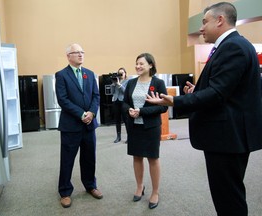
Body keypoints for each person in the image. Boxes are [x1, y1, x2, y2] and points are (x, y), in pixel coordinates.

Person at [146, 2, 262, 216]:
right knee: (228, 194)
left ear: (220, 20)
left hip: (227, 138)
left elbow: (218, 94)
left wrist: (175, 101)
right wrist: (197, 91)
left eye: (204, 22)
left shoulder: (233, 47)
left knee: (229, 198)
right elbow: (227, 90)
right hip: (228, 136)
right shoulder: (233, 46)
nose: (200, 28)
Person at [55, 43, 102, 208]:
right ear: (68, 56)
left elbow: (96, 96)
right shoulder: (61, 75)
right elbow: (63, 100)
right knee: (67, 160)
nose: (81, 55)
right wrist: (81, 114)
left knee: (89, 158)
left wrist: (91, 113)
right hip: (71, 126)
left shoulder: (89, 74)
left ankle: (90, 185)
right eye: (76, 52)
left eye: (82, 52)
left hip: (89, 125)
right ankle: (65, 191)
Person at [123, 53, 168, 209]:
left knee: (152, 158)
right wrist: (129, 109)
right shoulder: (131, 83)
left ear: (150, 65)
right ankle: (140, 186)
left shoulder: (158, 83)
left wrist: (141, 112)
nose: (138, 66)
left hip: (151, 127)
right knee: (136, 157)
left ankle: (155, 192)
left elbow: (163, 106)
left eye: (141, 63)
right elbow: (124, 102)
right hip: (134, 126)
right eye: (136, 63)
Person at [111, 67, 129, 143]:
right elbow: (112, 92)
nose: (120, 74)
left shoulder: (128, 81)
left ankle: (129, 136)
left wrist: (119, 85)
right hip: (116, 101)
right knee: (117, 120)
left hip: (123, 101)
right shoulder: (115, 81)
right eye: (119, 73)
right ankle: (118, 137)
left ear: (125, 74)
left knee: (126, 120)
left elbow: (126, 92)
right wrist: (113, 84)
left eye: (122, 73)